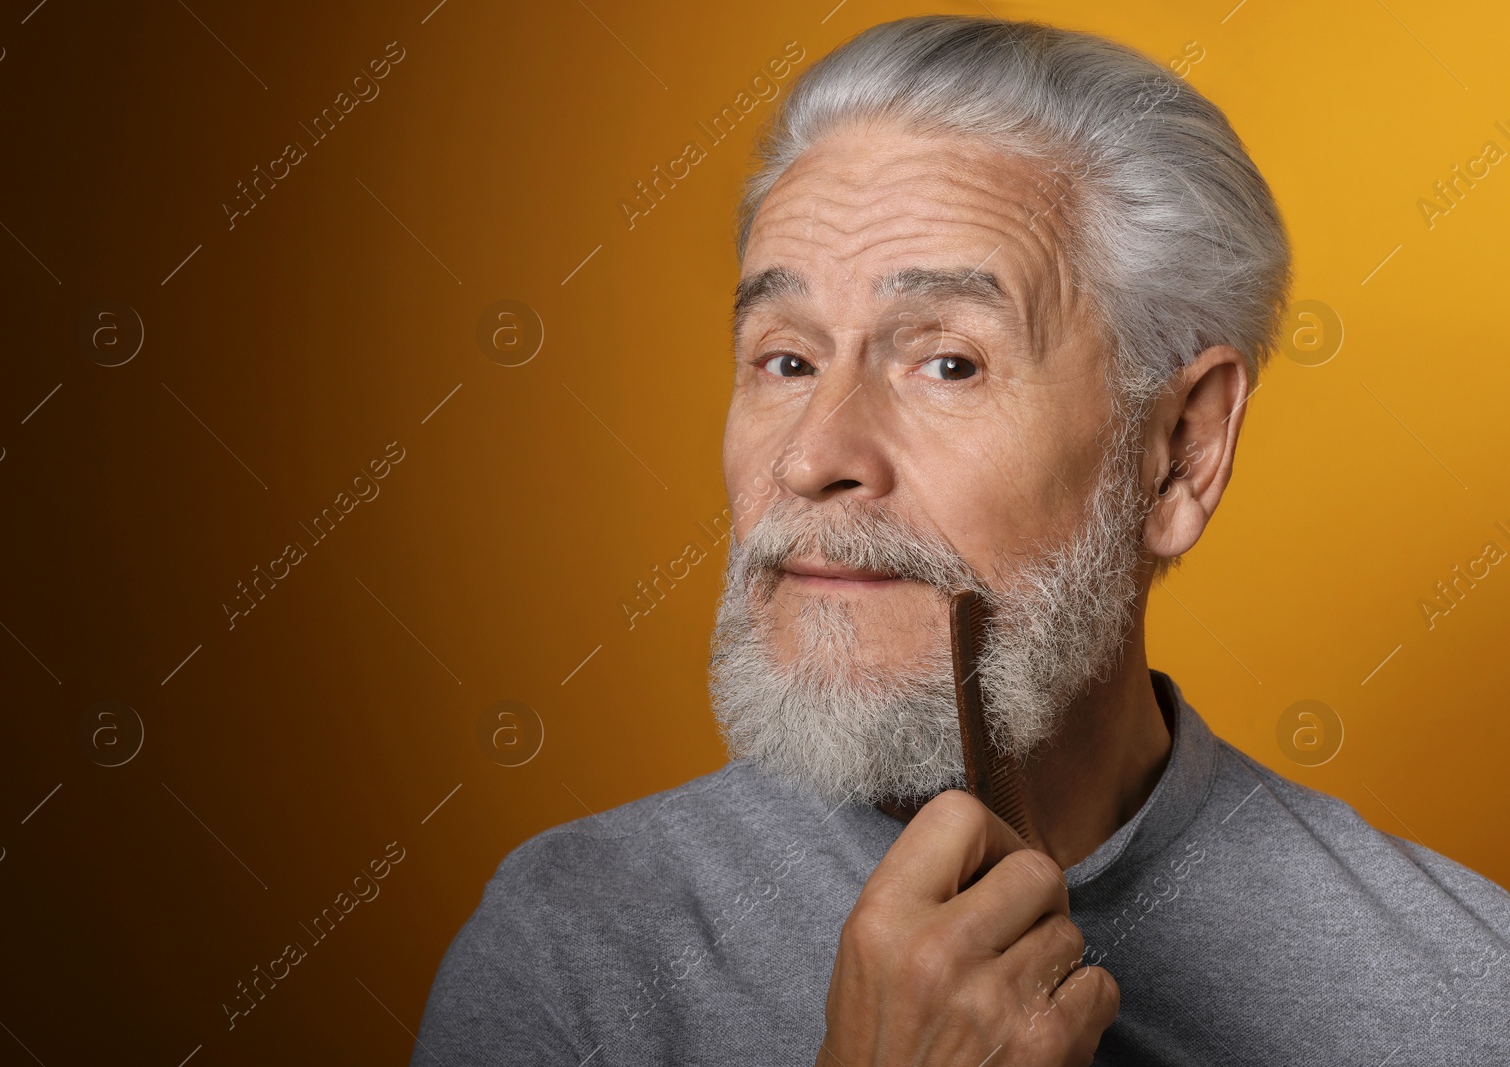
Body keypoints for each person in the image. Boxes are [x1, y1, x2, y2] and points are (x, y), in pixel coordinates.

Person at [412, 15, 1510, 1065]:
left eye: (947, 362)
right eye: (785, 359)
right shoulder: (572, 953)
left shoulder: (1468, 993)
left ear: (1178, 451)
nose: (811, 457)